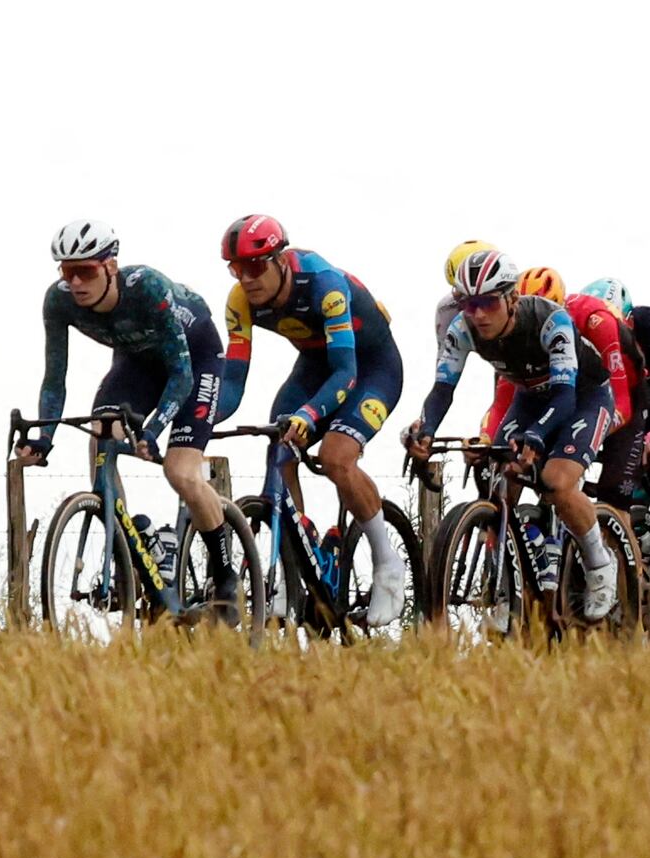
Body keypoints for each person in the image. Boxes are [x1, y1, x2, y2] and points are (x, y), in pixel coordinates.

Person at [218, 212, 413, 631]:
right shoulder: (239, 302)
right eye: (237, 269)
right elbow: (232, 382)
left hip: (370, 367)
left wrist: (310, 414)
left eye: (255, 266)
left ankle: (386, 561)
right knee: (278, 444)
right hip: (315, 365)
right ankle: (296, 556)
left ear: (281, 260)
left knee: (335, 457)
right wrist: (201, 420)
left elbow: (346, 372)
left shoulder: (323, 284)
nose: (246, 279)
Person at [28, 222, 242, 602]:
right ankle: (130, 548)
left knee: (180, 471)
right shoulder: (57, 301)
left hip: (195, 359)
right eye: (66, 271)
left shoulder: (147, 289)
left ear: (110, 266)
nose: (75, 282)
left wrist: (154, 430)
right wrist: (44, 439)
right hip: (136, 362)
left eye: (86, 271)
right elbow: (54, 378)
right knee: (102, 433)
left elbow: (181, 374)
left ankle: (226, 577)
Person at [406, 255, 616, 618]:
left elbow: (564, 397)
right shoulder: (462, 329)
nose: (479, 314)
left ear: (511, 299)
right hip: (530, 396)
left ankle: (599, 563)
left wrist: (535, 437)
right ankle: (506, 583)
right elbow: (442, 389)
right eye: (469, 304)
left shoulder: (551, 321)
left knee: (556, 481)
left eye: (488, 302)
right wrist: (425, 431)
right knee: (498, 480)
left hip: (583, 397)